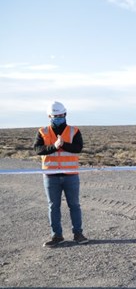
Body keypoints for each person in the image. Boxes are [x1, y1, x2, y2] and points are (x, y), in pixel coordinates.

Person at [34, 101, 89, 247]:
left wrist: (63, 144)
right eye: (55, 115)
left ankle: (78, 234)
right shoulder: (42, 132)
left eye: (60, 115)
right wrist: (54, 146)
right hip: (51, 175)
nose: (58, 117)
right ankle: (57, 236)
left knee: (74, 205)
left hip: (70, 175)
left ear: (65, 114)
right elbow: (38, 150)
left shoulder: (74, 131)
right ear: (49, 116)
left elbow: (78, 148)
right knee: (53, 206)